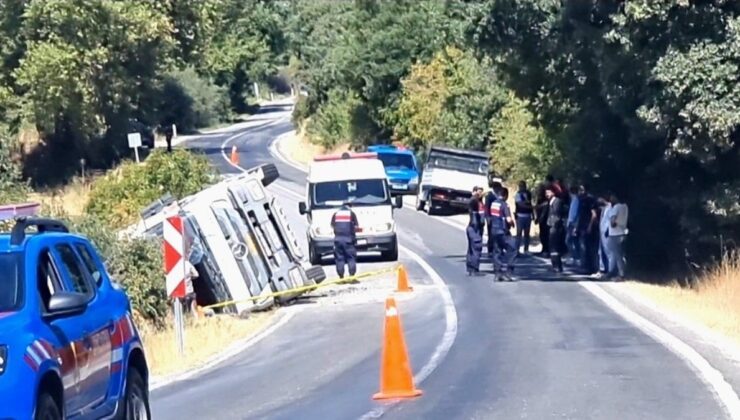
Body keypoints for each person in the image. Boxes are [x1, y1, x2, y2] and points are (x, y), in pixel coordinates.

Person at [489, 186, 516, 279]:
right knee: (512, 249)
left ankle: (497, 273)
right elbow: (508, 219)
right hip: (503, 231)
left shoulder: (493, 204)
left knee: (497, 251)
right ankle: (509, 272)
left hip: (494, 230)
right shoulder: (504, 205)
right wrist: (512, 223)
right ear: (505, 195)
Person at [331, 202, 359, 279]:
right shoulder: (351, 213)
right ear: (350, 206)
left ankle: (341, 276)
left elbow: (332, 225)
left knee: (339, 258)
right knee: (351, 258)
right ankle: (351, 276)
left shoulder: (336, 213)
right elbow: (356, 227)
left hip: (338, 240)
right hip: (348, 240)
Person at [606, 192, 629, 280]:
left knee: (616, 255)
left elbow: (612, 220)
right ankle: (620, 272)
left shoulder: (616, 207)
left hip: (615, 233)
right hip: (622, 232)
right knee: (621, 254)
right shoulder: (625, 206)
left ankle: (620, 274)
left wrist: (613, 223)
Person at [577, 184, 599, 275]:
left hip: (588, 227)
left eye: (582, 190)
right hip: (582, 226)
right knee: (584, 247)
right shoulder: (581, 200)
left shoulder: (590, 199)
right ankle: (585, 266)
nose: (580, 192)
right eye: (580, 190)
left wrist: (590, 226)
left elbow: (594, 214)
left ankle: (591, 268)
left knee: (589, 248)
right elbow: (581, 215)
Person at [546, 187, 567, 273]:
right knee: (552, 247)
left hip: (556, 227)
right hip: (551, 225)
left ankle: (557, 266)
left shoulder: (557, 201)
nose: (546, 194)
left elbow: (557, 215)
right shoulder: (550, 202)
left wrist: (554, 225)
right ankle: (555, 265)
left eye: (548, 192)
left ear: (553, 192)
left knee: (555, 247)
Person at [466, 186, 486, 276]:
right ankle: (473, 268)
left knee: (473, 248)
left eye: (481, 192)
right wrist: (475, 196)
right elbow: (471, 202)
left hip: (478, 228)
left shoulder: (481, 203)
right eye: (478, 192)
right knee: (476, 248)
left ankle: (471, 268)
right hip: (474, 228)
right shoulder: (473, 202)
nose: (480, 194)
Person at [535, 175, 554, 256]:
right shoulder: (541, 197)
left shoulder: (547, 194)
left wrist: (540, 217)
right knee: (543, 233)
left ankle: (546, 250)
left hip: (545, 217)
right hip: (542, 216)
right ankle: (544, 249)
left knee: (545, 234)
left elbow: (545, 206)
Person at [514, 181, 534, 255]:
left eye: (523, 186)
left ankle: (526, 249)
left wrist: (533, 213)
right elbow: (520, 205)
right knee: (519, 233)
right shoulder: (517, 195)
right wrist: (533, 207)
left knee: (527, 233)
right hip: (520, 216)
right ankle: (517, 250)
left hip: (528, 215)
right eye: (521, 186)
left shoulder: (528, 193)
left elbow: (530, 202)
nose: (522, 187)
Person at [484, 181, 502, 256]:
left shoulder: (499, 195)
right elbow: (487, 207)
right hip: (491, 217)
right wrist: (488, 217)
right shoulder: (489, 196)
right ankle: (490, 250)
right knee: (491, 234)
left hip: (498, 217)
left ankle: (497, 248)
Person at [566, 185, 580, 265]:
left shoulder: (575, 200)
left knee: (569, 241)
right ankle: (574, 257)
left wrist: (572, 224)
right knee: (572, 241)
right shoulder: (573, 200)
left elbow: (574, 214)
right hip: (571, 223)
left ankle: (576, 257)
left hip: (573, 223)